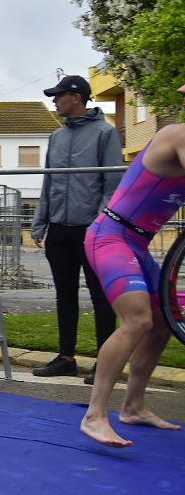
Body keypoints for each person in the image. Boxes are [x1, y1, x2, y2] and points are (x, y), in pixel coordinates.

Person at [79, 85, 185, 447]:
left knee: (161, 324)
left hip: (136, 242)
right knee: (138, 319)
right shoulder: (177, 134)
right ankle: (94, 415)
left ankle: (134, 406)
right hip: (110, 235)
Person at [31, 74, 123, 382]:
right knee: (64, 294)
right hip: (58, 228)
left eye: (58, 95)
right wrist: (40, 222)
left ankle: (104, 363)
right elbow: (48, 182)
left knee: (100, 296)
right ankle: (66, 357)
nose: (54, 101)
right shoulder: (56, 137)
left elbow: (112, 184)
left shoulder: (105, 133)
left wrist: (101, 224)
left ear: (76, 97)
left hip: (92, 229)